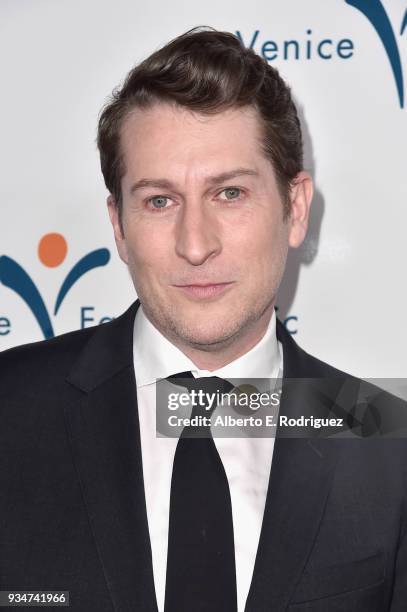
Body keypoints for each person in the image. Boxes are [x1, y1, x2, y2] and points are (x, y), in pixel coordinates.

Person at [0, 27, 406, 612]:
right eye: (159, 201)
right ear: (118, 224)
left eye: (230, 194)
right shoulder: (9, 412)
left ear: (295, 209)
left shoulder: (383, 438)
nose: (195, 245)